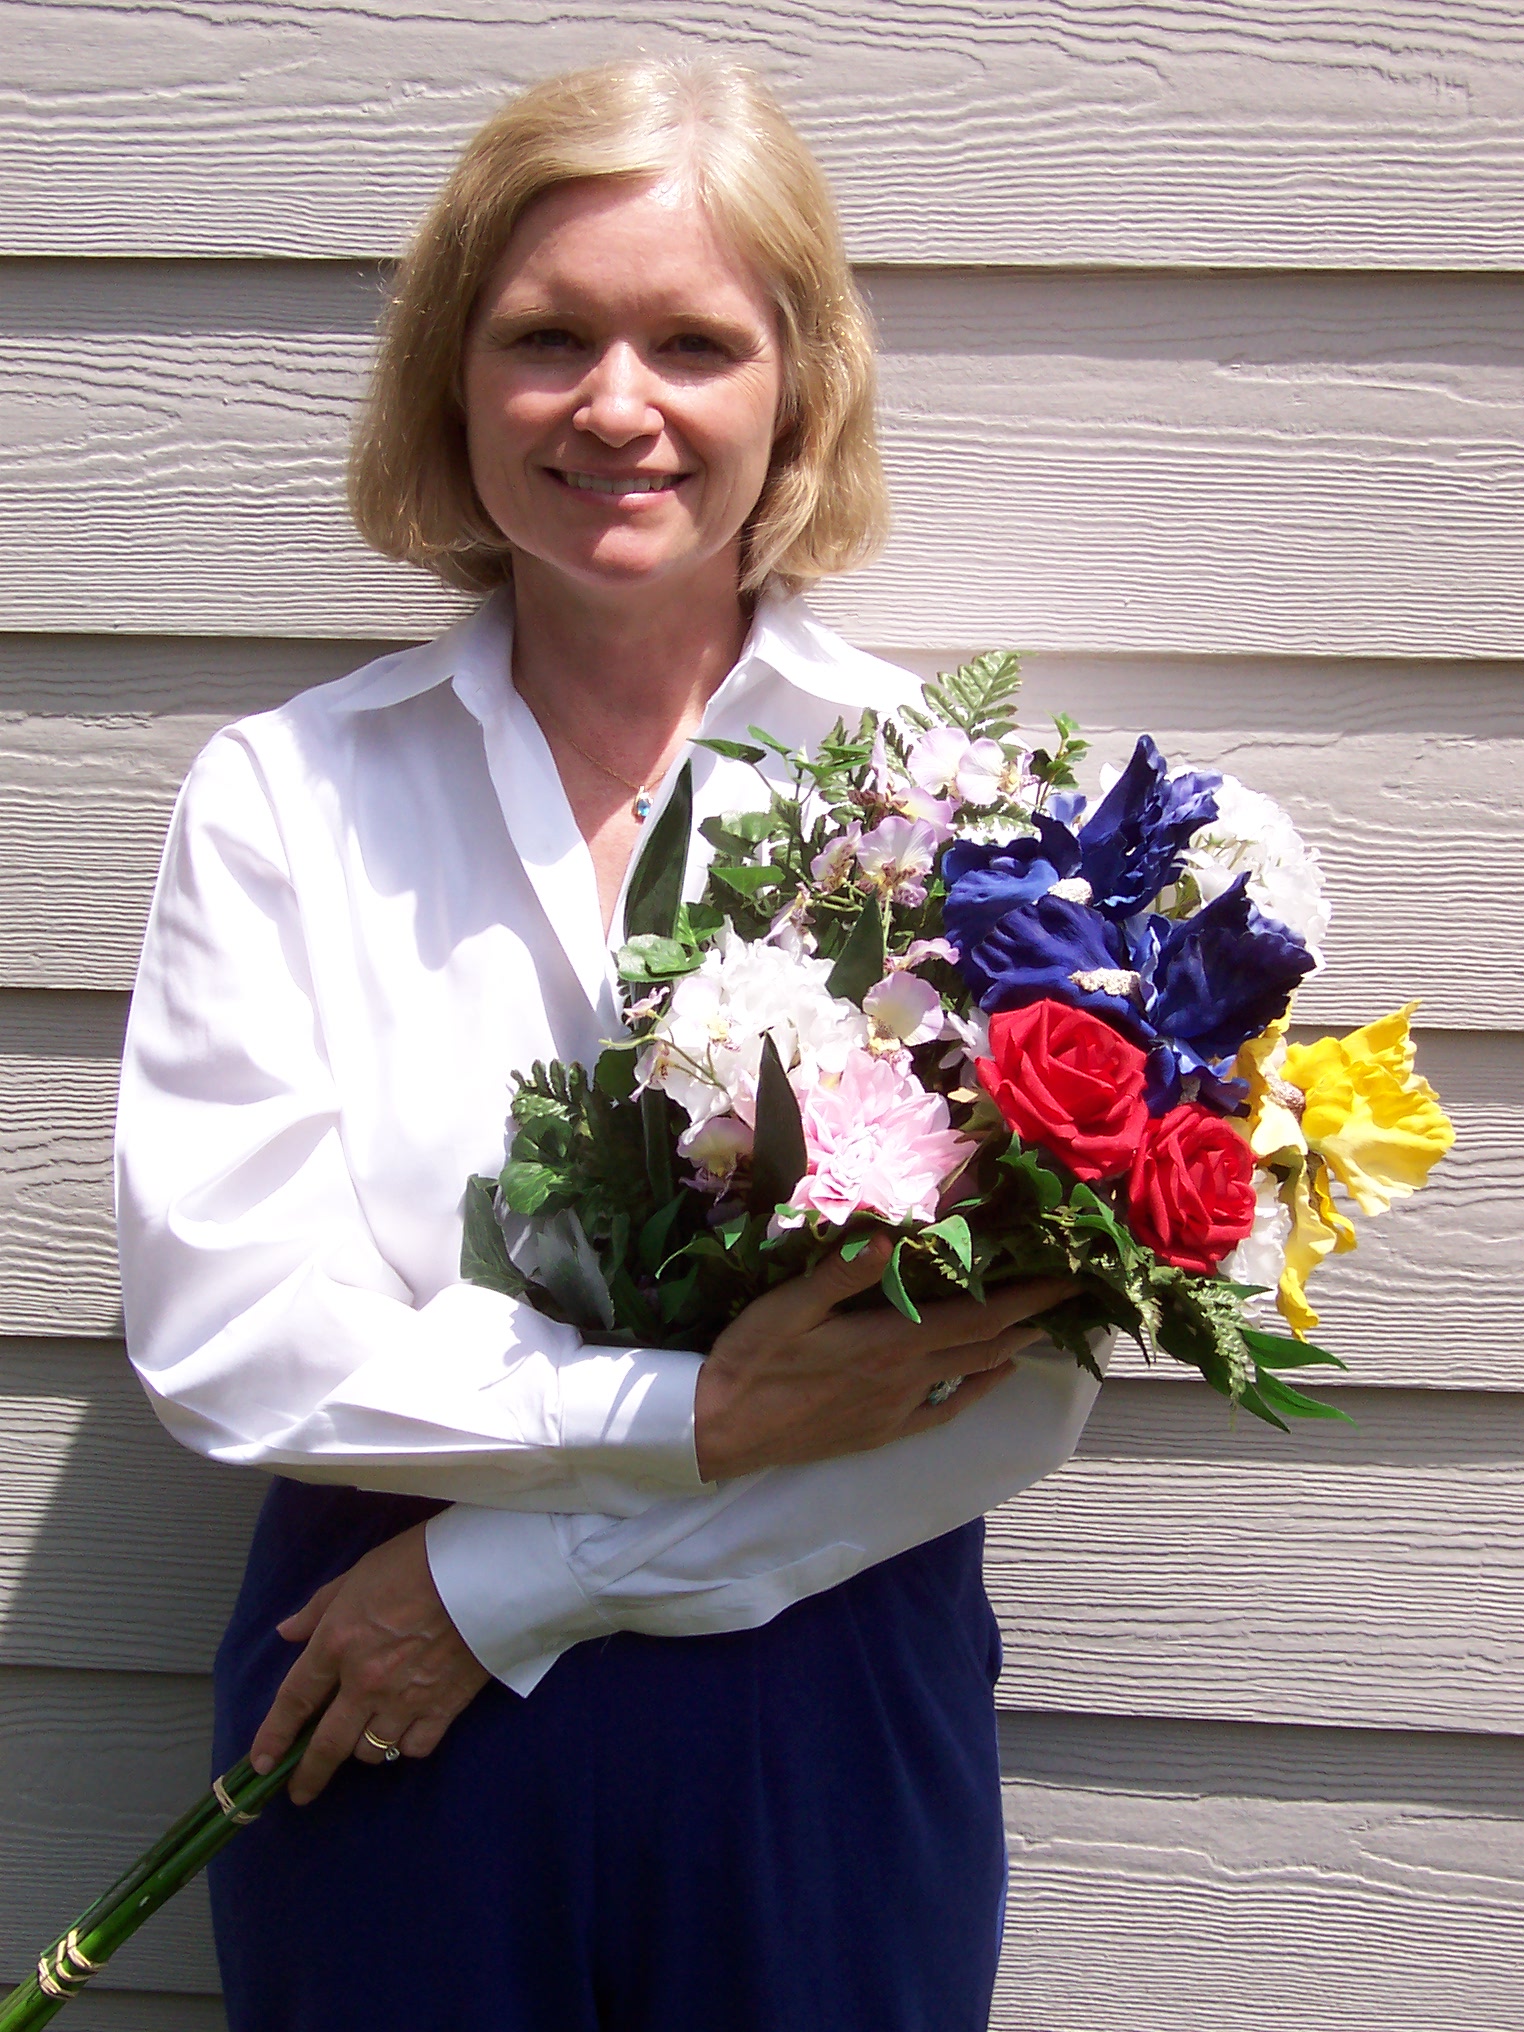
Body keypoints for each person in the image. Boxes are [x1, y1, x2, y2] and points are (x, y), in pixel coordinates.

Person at [115, 56, 1106, 2032]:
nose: (616, 404)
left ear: (798, 388)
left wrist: (509, 1582)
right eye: (546, 337)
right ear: (452, 376)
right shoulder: (288, 797)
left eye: (695, 343)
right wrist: (697, 1418)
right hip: (380, 1716)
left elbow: (1017, 1384)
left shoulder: (950, 806)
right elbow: (233, 1326)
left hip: (804, 1697)